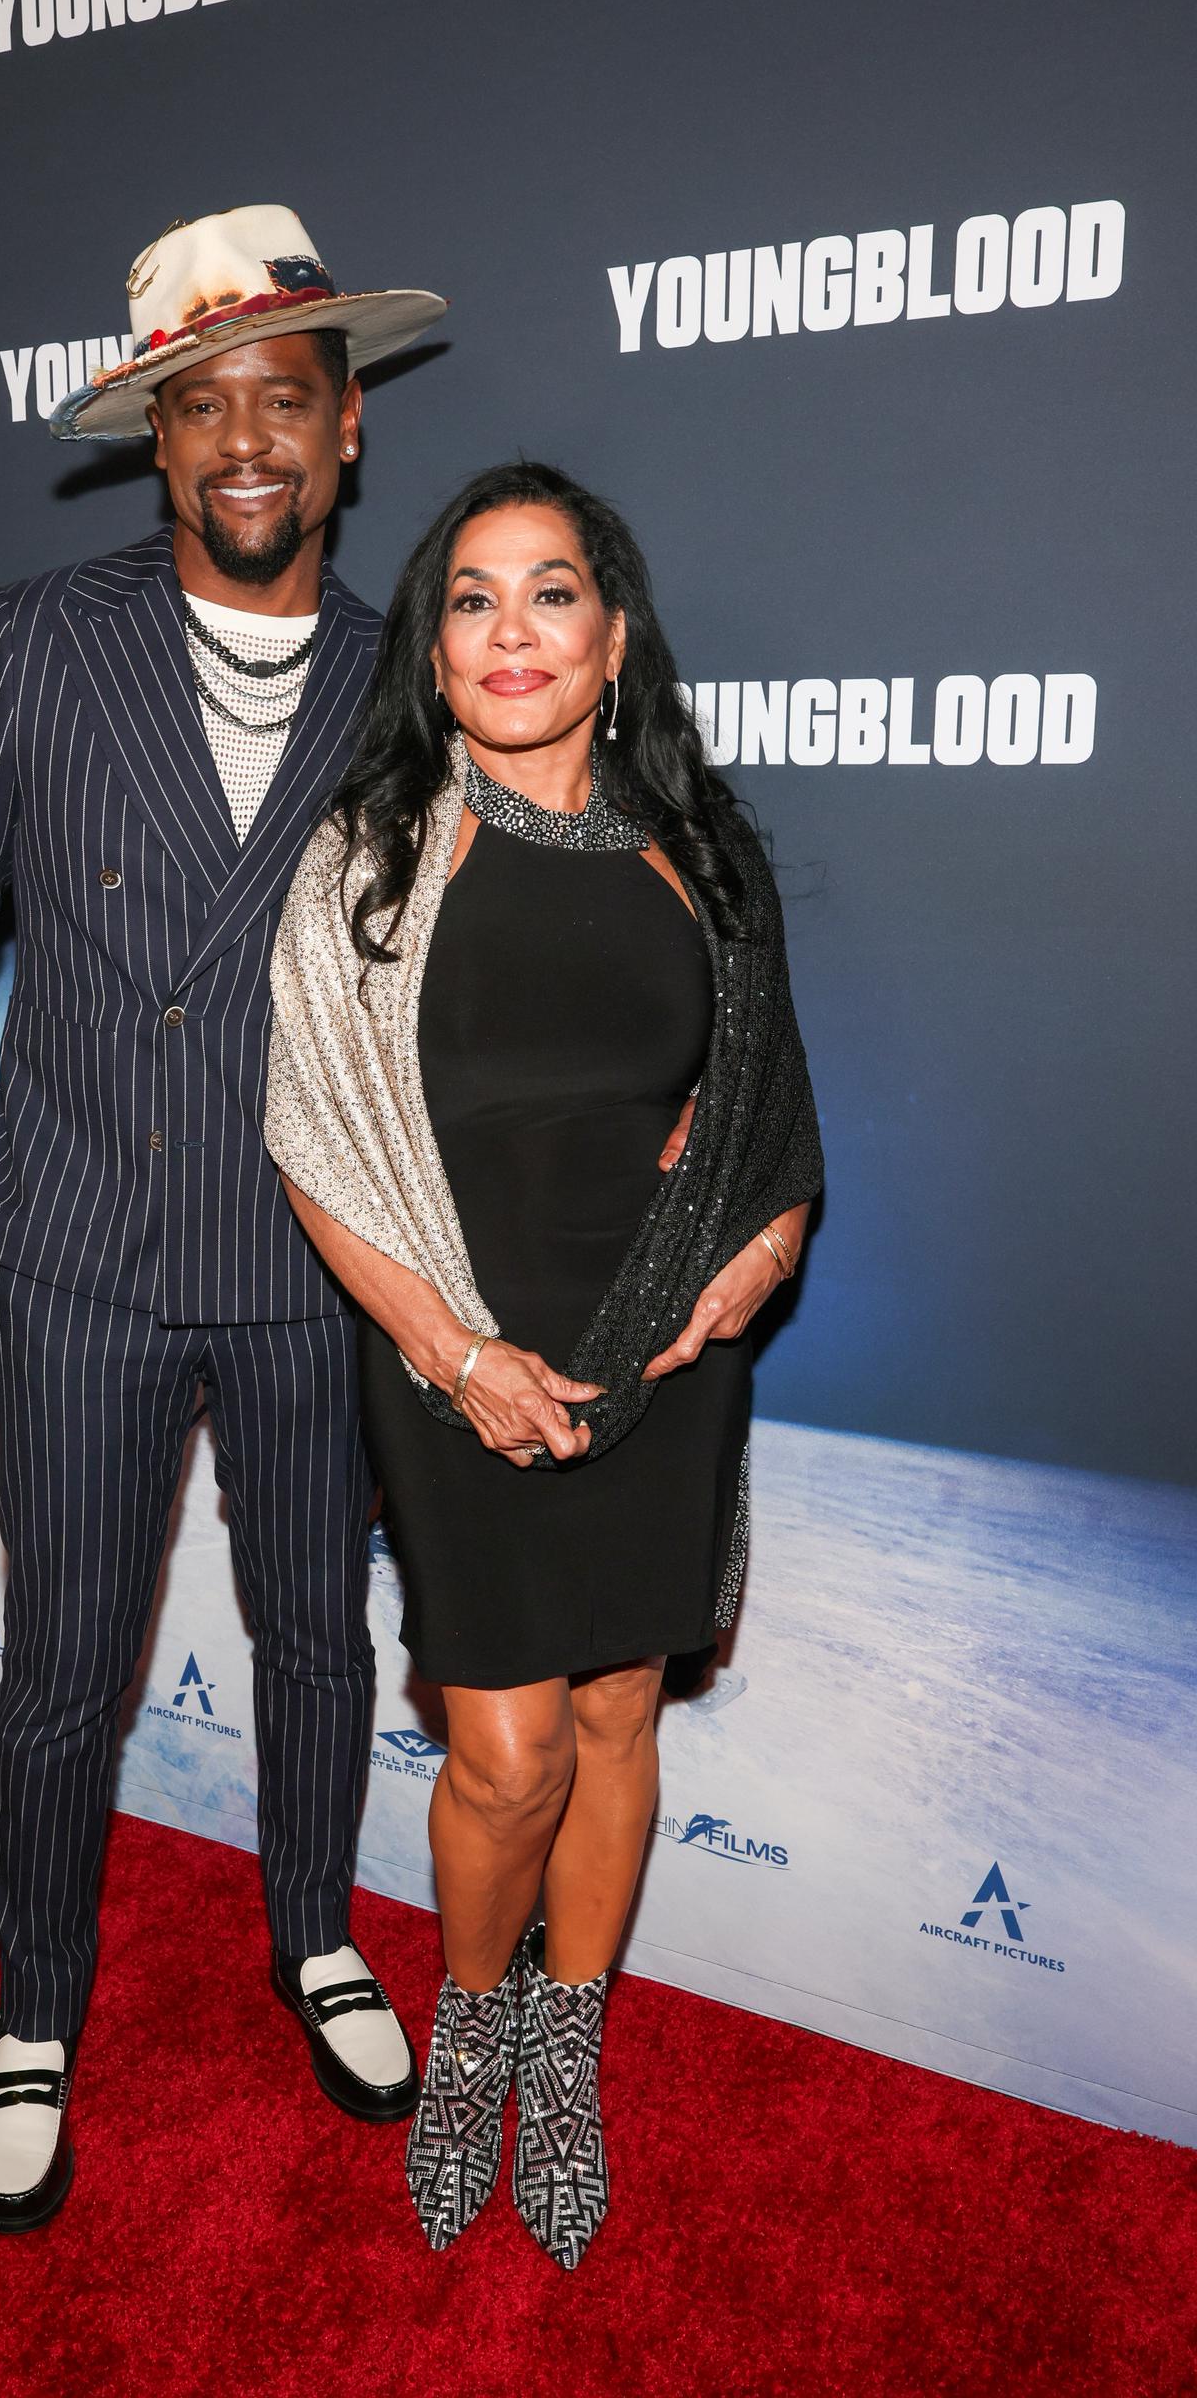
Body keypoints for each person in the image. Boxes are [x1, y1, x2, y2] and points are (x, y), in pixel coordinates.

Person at [0, 206, 448, 2233]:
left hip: (311, 1276)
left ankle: (315, 1935)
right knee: (63, 1667)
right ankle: (36, 2005)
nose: (242, 442)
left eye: (278, 398)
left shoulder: (409, 686)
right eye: (195, 404)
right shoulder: (29, 646)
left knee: (314, 1641)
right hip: (84, 1273)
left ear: (347, 424)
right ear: (152, 437)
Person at [265, 462, 824, 2268]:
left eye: (553, 593)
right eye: (474, 599)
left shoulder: (707, 854)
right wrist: (450, 1349)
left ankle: (567, 2047)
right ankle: (474, 2027)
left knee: (617, 1715)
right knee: (504, 1751)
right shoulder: (365, 862)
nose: (515, 631)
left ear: (614, 635)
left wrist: (758, 1250)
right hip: (454, 1340)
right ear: (433, 652)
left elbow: (773, 1121)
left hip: (662, 1343)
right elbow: (312, 1139)